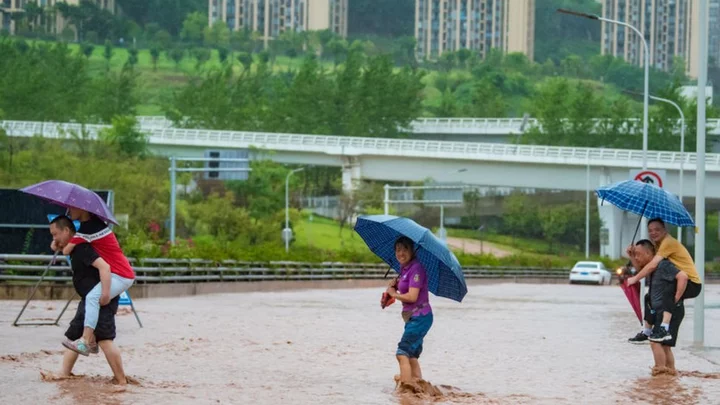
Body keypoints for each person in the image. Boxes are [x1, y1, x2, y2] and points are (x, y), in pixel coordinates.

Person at [48, 215, 128, 384]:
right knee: (74, 335)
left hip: (100, 301)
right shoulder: (74, 246)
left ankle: (121, 382)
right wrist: (57, 244)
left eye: (55, 234)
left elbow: (104, 267)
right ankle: (64, 373)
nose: (54, 238)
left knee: (105, 339)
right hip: (88, 300)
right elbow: (62, 247)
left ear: (67, 231)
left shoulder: (83, 248)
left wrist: (105, 295)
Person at [627, 218, 702, 343]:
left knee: (668, 291)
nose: (653, 233)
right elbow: (644, 267)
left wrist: (635, 279)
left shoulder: (668, 242)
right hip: (679, 281)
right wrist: (632, 256)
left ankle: (664, 328)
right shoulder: (659, 245)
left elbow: (652, 265)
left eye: (657, 230)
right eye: (650, 230)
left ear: (664, 230)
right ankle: (647, 331)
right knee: (648, 297)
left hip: (692, 283)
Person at [627, 239, 688, 375]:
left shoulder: (663, 265)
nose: (636, 258)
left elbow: (683, 276)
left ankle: (660, 374)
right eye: (635, 255)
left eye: (638, 254)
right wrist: (631, 256)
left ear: (649, 253)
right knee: (664, 345)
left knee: (655, 341)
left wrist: (676, 299)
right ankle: (669, 377)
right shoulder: (652, 267)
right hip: (660, 311)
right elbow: (640, 270)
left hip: (671, 310)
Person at [385, 236, 433, 388]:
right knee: (411, 356)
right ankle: (419, 388)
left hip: (420, 317)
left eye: (405, 249)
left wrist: (394, 294)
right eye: (398, 249)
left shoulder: (416, 269)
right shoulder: (405, 269)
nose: (401, 253)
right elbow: (404, 288)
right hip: (413, 317)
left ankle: (406, 390)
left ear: (413, 251)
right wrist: (394, 286)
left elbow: (412, 297)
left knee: (402, 353)